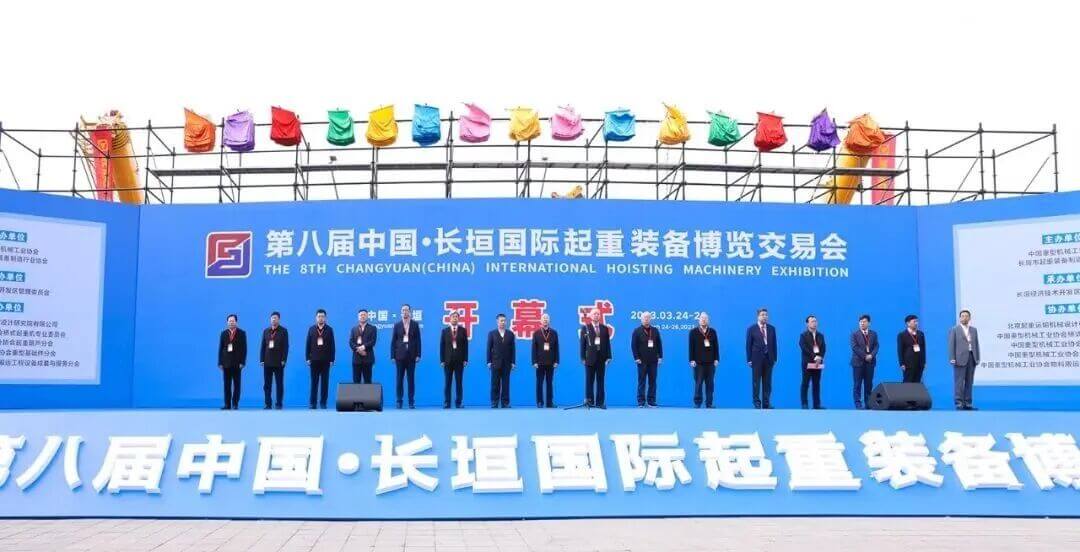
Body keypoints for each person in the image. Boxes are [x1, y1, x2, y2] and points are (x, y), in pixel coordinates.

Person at [947, 309, 981, 410]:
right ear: (960, 318)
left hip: (971, 357)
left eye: (966, 316)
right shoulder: (954, 329)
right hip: (959, 358)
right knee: (959, 382)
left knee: (969, 382)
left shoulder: (973, 330)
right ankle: (959, 403)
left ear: (969, 318)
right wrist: (952, 358)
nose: (964, 318)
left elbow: (976, 344)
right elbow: (951, 344)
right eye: (962, 316)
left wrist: (977, 357)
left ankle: (968, 403)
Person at [579, 308, 612, 408]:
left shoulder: (604, 328)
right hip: (589, 358)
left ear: (600, 316)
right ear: (590, 316)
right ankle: (589, 401)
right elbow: (582, 344)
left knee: (600, 381)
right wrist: (582, 357)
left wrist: (609, 356)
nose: (596, 315)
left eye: (598, 314)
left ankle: (600, 402)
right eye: (594, 314)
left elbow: (607, 343)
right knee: (589, 381)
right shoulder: (585, 328)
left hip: (601, 358)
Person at [390, 304, 421, 409]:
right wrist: (392, 356)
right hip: (399, 356)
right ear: (401, 312)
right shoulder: (397, 325)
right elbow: (393, 341)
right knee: (399, 379)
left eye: (407, 310)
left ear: (410, 312)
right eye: (403, 310)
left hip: (412, 356)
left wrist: (418, 354)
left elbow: (418, 340)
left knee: (411, 380)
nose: (405, 312)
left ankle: (411, 401)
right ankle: (399, 401)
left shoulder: (415, 324)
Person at [745, 308, 778, 409]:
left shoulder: (772, 328)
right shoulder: (752, 329)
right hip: (756, 359)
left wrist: (775, 358)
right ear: (758, 316)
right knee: (756, 381)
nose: (765, 317)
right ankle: (757, 402)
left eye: (766, 315)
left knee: (767, 382)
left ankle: (766, 403)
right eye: (762, 315)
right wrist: (749, 359)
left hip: (769, 358)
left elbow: (774, 344)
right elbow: (748, 345)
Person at [630, 312, 663, 408]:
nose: (646, 319)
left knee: (653, 381)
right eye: (644, 317)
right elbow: (633, 345)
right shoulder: (637, 331)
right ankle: (641, 401)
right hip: (641, 360)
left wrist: (660, 357)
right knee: (642, 381)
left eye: (648, 317)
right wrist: (636, 358)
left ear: (650, 319)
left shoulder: (655, 330)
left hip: (653, 360)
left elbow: (659, 344)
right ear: (641, 319)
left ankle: (651, 401)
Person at [305, 309, 335, 409]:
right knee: (314, 382)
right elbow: (308, 344)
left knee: (325, 382)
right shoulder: (311, 329)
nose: (320, 318)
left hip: (326, 360)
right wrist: (307, 357)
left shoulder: (329, 329)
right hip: (314, 360)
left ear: (325, 318)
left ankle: (323, 403)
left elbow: (332, 345)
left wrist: (332, 359)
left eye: (322, 316)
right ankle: (312, 403)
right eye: (319, 316)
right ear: (316, 318)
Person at [688, 312, 719, 409]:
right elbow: (691, 347)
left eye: (705, 318)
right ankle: (697, 403)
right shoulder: (693, 332)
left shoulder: (712, 331)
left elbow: (716, 346)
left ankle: (709, 403)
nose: (703, 320)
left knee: (710, 384)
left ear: (708, 320)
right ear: (699, 320)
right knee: (698, 383)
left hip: (710, 362)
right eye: (702, 318)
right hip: (698, 363)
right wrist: (691, 360)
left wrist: (716, 359)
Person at [259, 311, 288, 410]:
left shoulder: (283, 331)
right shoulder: (266, 331)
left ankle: (279, 403)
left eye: (275, 318)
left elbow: (286, 347)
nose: (274, 320)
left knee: (279, 384)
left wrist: (284, 359)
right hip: (267, 361)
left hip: (279, 362)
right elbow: (263, 346)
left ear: (279, 319)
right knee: (267, 385)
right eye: (272, 318)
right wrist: (261, 360)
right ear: (270, 319)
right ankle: (268, 404)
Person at [440, 311, 469, 409]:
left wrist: (465, 359)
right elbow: (442, 346)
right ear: (450, 318)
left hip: (459, 361)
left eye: (456, 316)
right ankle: (447, 402)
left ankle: (459, 402)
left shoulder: (463, 330)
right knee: (447, 382)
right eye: (453, 316)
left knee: (459, 382)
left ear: (458, 318)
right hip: (448, 361)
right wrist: (442, 360)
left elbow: (465, 346)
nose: (455, 318)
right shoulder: (445, 331)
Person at [218, 314, 247, 410]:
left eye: (233, 321)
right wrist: (220, 362)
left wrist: (242, 362)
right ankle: (227, 404)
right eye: (229, 321)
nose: (231, 322)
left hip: (237, 363)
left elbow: (244, 349)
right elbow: (220, 348)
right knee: (226, 385)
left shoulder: (242, 333)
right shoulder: (223, 333)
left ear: (236, 322)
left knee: (237, 385)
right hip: (226, 363)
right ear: (227, 322)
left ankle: (235, 403)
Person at [849, 314, 879, 409]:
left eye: (864, 321)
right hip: (858, 363)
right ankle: (858, 404)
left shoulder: (873, 334)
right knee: (857, 384)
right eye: (860, 322)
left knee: (868, 384)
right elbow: (854, 347)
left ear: (869, 323)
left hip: (870, 363)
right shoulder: (854, 334)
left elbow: (876, 346)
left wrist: (871, 355)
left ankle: (868, 403)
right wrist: (865, 356)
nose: (862, 323)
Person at [486, 313, 516, 408]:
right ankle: (494, 402)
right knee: (495, 383)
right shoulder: (492, 333)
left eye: (504, 320)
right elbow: (488, 348)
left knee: (506, 383)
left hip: (507, 363)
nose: (503, 322)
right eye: (501, 320)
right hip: (495, 362)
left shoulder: (510, 334)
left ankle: (505, 402)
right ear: (497, 322)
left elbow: (513, 349)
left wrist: (513, 362)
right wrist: (488, 361)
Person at [531, 313, 560, 408]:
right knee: (539, 383)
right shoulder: (536, 333)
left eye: (547, 318)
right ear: (541, 320)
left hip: (551, 362)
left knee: (549, 383)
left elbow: (556, 348)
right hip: (539, 362)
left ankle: (549, 403)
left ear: (549, 320)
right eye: (544, 318)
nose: (545, 320)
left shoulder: (554, 333)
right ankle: (539, 402)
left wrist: (556, 361)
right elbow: (533, 349)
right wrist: (534, 361)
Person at [798, 315, 827, 409]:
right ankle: (804, 403)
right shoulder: (803, 335)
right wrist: (814, 357)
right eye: (812, 321)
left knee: (816, 384)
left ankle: (817, 404)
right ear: (807, 324)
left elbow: (823, 348)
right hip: (808, 363)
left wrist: (820, 357)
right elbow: (804, 348)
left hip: (818, 363)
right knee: (805, 383)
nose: (814, 323)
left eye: (815, 321)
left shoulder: (820, 335)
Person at [349, 309, 377, 384]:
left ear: (367, 316)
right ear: (358, 317)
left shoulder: (372, 328)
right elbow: (351, 342)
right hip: (356, 359)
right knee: (356, 382)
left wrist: (363, 347)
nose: (362, 316)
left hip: (368, 358)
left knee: (367, 382)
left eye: (364, 315)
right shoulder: (354, 329)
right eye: (361, 315)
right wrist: (358, 349)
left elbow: (373, 341)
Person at [897, 314, 927, 383]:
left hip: (919, 363)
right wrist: (901, 363)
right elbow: (900, 350)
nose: (916, 323)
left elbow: (923, 348)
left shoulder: (921, 334)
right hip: (908, 363)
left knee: (917, 382)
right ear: (908, 323)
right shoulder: (902, 335)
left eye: (917, 321)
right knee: (908, 382)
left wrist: (924, 362)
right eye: (914, 321)